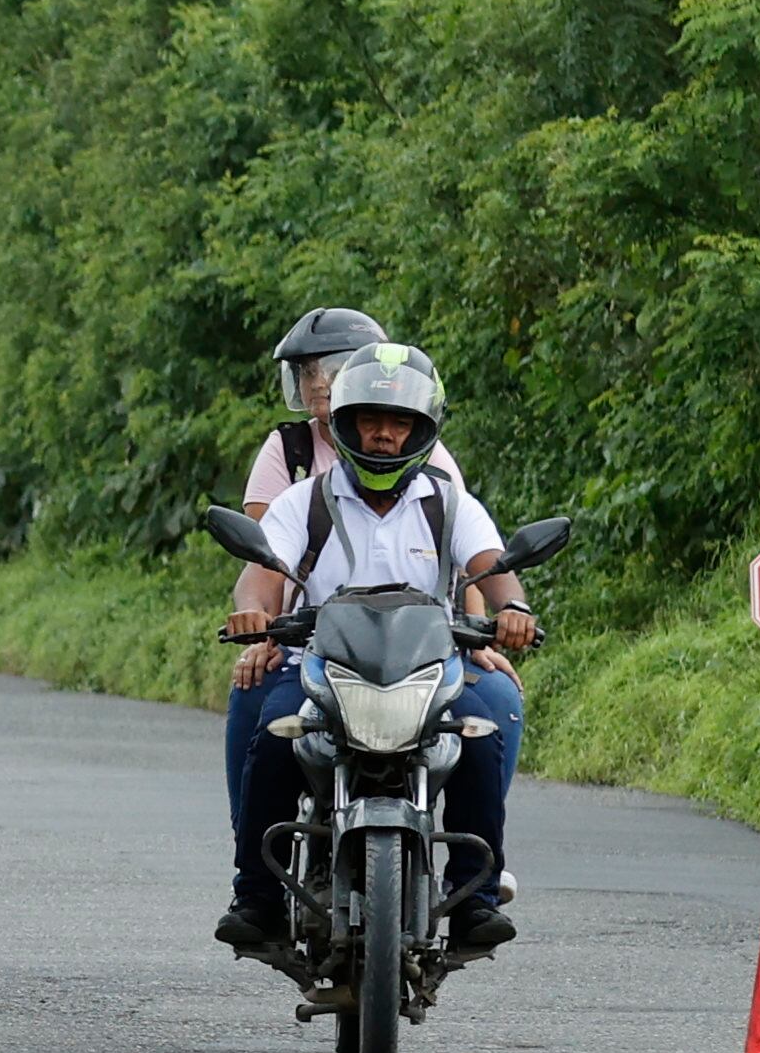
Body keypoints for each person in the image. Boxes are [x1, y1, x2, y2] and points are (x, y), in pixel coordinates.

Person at [218, 342, 538, 959]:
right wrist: (255, 612)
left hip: (428, 670)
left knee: (491, 714)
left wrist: (514, 613)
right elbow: (261, 573)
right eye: (371, 420)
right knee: (272, 728)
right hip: (322, 668)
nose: (385, 435)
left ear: (422, 429)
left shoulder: (449, 503)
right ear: (343, 423)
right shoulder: (303, 501)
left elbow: (493, 572)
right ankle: (256, 895)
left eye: (399, 423)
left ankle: (474, 897)